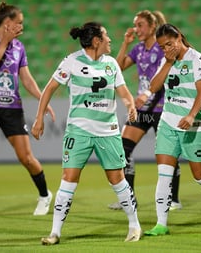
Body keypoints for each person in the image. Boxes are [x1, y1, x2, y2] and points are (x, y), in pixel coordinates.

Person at [32, 22, 142, 245]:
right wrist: (38, 117)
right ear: (96, 41)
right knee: (68, 179)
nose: (110, 39)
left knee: (117, 179)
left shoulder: (111, 64)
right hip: (79, 131)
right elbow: (49, 88)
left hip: (107, 132)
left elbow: (125, 93)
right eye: (106, 35)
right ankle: (55, 232)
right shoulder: (71, 61)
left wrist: (130, 106)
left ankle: (134, 225)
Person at [141, 23, 201, 236]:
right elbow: (153, 87)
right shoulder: (167, 61)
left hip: (194, 125)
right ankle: (161, 224)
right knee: (164, 175)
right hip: (168, 124)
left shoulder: (197, 59)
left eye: (169, 44)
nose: (166, 49)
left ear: (179, 38)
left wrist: (192, 115)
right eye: (162, 47)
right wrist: (167, 62)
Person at [0, 2, 55, 218]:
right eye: (19, 23)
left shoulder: (19, 46)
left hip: (12, 108)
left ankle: (45, 195)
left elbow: (26, 78)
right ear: (7, 23)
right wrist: (5, 41)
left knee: (26, 157)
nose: (21, 27)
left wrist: (42, 99)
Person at [108, 10, 182, 211]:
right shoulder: (138, 49)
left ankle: (173, 199)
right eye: (135, 24)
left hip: (162, 107)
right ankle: (129, 199)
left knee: (168, 153)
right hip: (143, 107)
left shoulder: (162, 49)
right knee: (124, 148)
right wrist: (125, 43)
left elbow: (163, 81)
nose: (136, 29)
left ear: (152, 27)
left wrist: (147, 98)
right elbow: (117, 67)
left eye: (140, 25)